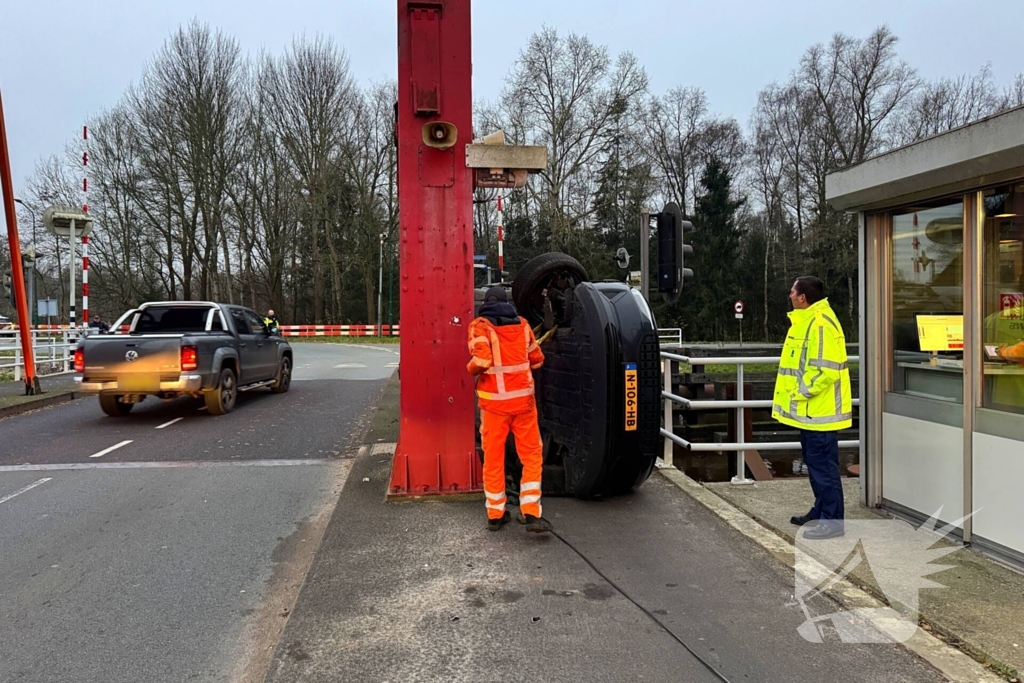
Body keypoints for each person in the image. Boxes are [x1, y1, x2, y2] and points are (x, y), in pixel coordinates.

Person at [772, 276, 853, 540]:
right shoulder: (811, 321)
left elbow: (824, 371)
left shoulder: (819, 324)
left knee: (824, 469)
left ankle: (832, 522)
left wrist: (798, 394)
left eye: (792, 291)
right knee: (816, 466)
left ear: (802, 297)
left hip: (818, 413)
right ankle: (821, 512)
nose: (790, 295)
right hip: (811, 413)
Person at [467, 287, 551, 533]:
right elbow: (537, 360)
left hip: (494, 406)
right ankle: (531, 512)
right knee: (531, 457)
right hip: (524, 405)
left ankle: (495, 514)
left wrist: (469, 370)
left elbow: (481, 362)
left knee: (493, 458)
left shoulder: (479, 326)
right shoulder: (523, 325)